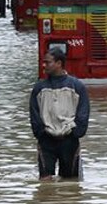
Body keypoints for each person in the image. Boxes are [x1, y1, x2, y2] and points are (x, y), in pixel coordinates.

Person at [29, 47, 90, 181]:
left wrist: (76, 132)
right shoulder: (39, 88)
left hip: (69, 140)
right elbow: (34, 113)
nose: (44, 65)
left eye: (48, 62)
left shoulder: (76, 86)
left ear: (59, 63)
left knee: (70, 181)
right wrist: (40, 132)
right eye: (44, 62)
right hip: (46, 140)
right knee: (45, 180)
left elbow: (83, 112)